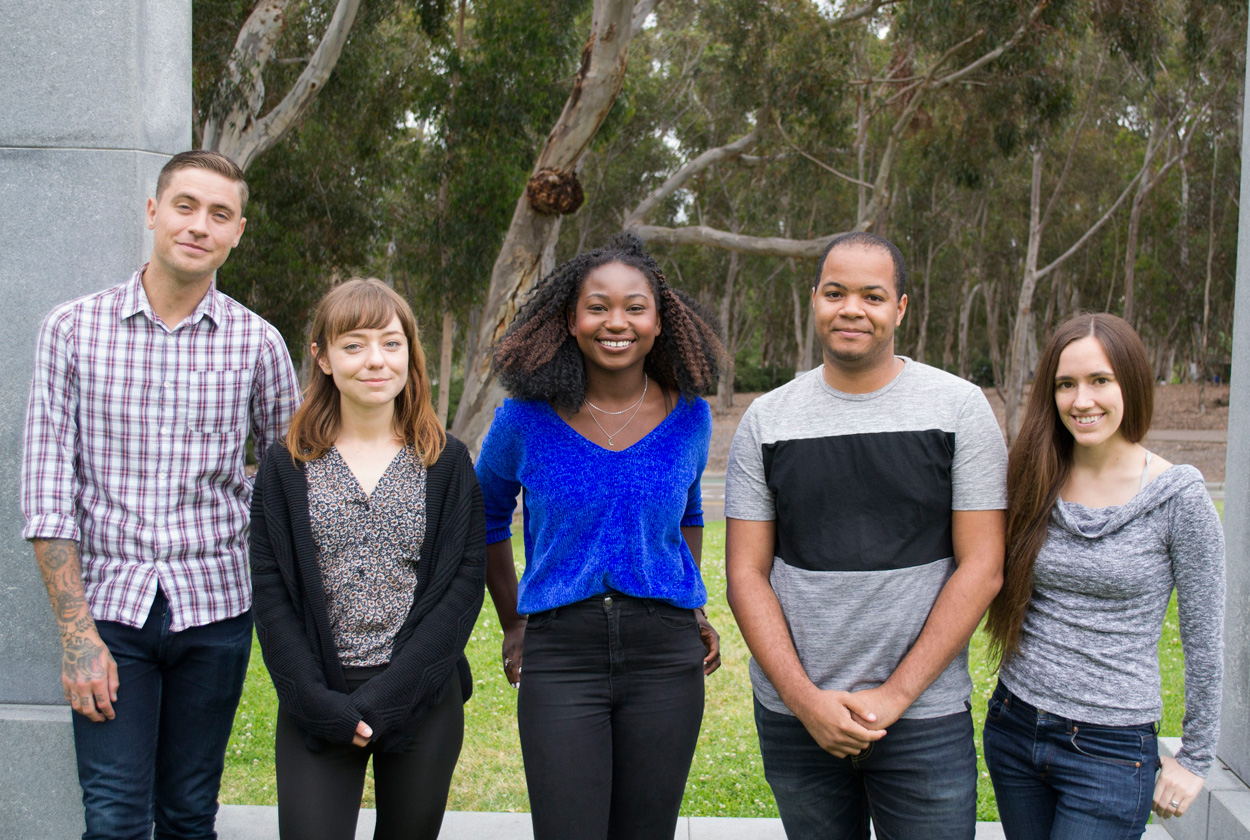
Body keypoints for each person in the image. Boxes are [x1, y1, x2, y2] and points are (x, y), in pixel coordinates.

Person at [21, 150, 301, 840]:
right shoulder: (72, 331)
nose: (199, 225)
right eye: (185, 206)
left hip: (215, 611)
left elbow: (288, 477)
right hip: (109, 613)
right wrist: (76, 635)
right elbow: (48, 488)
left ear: (238, 232)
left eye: (219, 214)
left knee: (187, 816)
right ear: (153, 212)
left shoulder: (257, 345)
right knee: (114, 819)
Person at [724, 231, 1008, 840]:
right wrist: (804, 701)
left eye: (872, 296)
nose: (851, 308)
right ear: (815, 301)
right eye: (835, 292)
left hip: (924, 716)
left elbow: (982, 566)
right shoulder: (766, 420)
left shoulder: (959, 409)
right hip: (797, 717)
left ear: (900, 308)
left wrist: (896, 695)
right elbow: (746, 574)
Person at [475, 233, 724, 839]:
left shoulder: (690, 414)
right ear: (569, 319)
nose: (617, 322)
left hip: (665, 655)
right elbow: (484, 518)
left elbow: (688, 517)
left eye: (635, 307)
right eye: (598, 306)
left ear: (660, 322)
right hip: (561, 654)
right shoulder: (522, 419)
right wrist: (513, 622)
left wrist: (691, 607)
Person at [249, 278, 485, 840]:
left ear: (410, 352)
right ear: (322, 357)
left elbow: (463, 587)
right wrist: (315, 702)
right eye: (353, 345)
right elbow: (271, 590)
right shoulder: (286, 465)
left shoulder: (446, 462)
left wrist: (389, 697)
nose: (375, 360)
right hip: (318, 700)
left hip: (422, 696)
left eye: (390, 342)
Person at [983, 313, 1225, 839]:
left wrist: (1196, 757)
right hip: (1014, 725)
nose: (1081, 400)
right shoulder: (1031, 474)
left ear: (1131, 384)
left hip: (1112, 752)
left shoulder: (1178, 498)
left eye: (1100, 380)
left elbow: (1205, 639)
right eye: (1065, 384)